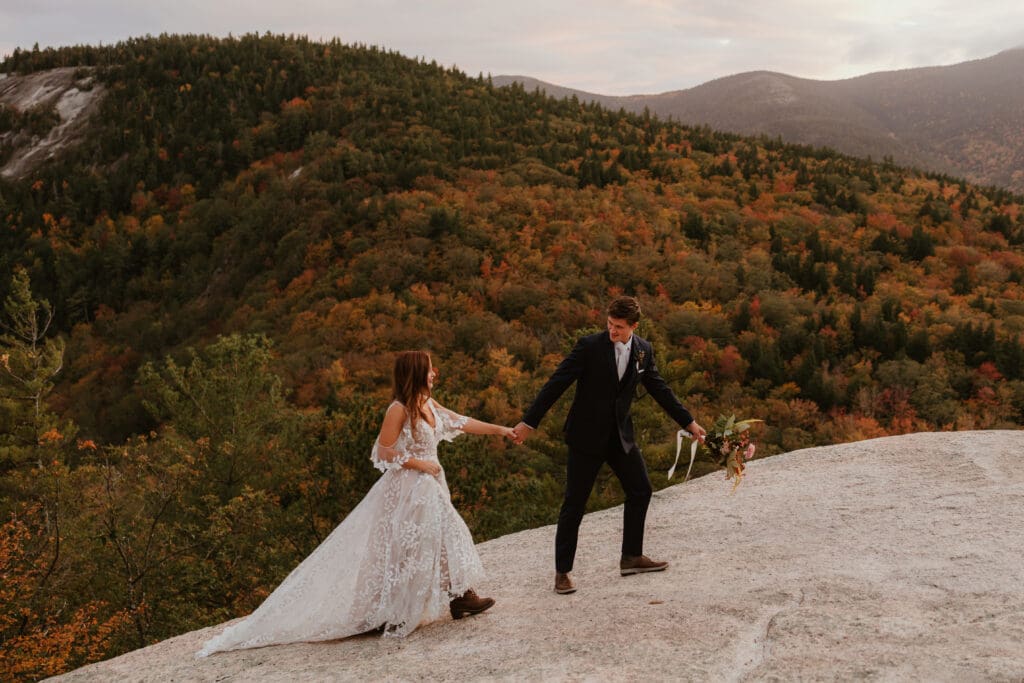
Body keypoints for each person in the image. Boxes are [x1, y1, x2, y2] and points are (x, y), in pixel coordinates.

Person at [197, 351, 515, 656]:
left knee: (443, 538)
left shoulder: (426, 403)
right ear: (417, 372)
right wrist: (420, 464)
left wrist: (500, 430)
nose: (435, 373)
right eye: (430, 368)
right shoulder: (399, 408)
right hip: (410, 489)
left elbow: (460, 421)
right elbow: (383, 450)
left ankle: (460, 596)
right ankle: (402, 607)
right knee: (418, 544)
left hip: (430, 485)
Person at [513, 296, 705, 594]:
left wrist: (689, 423)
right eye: (609, 324)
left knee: (641, 490)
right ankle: (562, 572)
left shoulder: (643, 351)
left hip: (620, 437)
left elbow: (659, 389)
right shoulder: (588, 347)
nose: (612, 331)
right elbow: (556, 383)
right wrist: (529, 422)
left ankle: (631, 556)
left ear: (633, 326)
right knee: (574, 504)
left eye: (618, 327)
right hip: (585, 437)